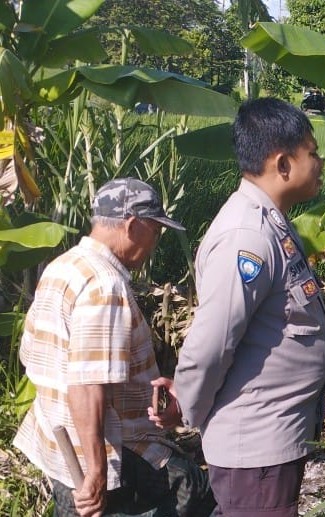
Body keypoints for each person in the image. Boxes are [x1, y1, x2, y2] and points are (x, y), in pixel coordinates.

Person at [13, 178, 214, 517]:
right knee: (195, 491)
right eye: (156, 231)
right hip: (108, 449)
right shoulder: (104, 286)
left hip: (60, 446)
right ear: (134, 226)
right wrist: (96, 472)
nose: (156, 243)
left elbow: (31, 355)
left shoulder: (63, 266)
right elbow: (88, 385)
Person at [174, 98, 325, 517]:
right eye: (312, 153)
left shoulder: (272, 221)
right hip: (255, 447)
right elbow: (211, 343)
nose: (319, 163)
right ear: (283, 165)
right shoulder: (248, 236)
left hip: (272, 441)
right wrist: (186, 409)